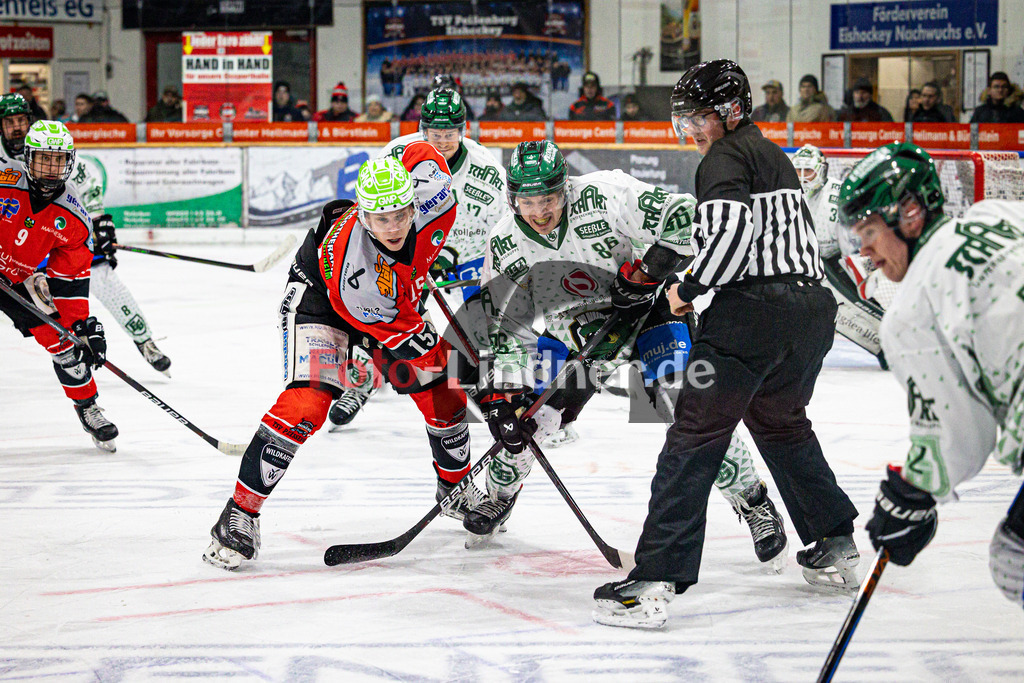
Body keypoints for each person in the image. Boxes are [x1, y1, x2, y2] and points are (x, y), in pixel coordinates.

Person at [593, 60, 858, 629]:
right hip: (810, 315)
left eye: (698, 116)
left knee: (694, 433)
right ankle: (834, 540)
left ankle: (654, 579)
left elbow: (731, 237)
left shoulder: (725, 157)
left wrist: (684, 291)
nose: (690, 128)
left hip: (753, 316)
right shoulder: (771, 154)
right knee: (781, 422)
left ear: (731, 112)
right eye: (684, 117)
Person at [477, 139, 789, 563]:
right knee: (530, 419)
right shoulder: (505, 240)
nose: (538, 211)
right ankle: (500, 495)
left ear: (564, 188)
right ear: (512, 199)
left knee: (684, 406)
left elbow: (683, 215)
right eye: (526, 201)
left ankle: (753, 503)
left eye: (547, 198)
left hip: (646, 313)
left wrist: (647, 273)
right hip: (574, 335)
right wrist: (504, 396)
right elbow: (504, 324)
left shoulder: (604, 194)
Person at [202, 144, 473, 570]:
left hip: (390, 302)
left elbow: (422, 151)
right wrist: (471, 372)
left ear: (412, 204)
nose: (394, 226)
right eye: (381, 219)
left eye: (401, 214)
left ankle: (456, 491)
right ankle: (239, 513)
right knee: (308, 404)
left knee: (444, 395)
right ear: (364, 216)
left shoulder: (436, 197)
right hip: (322, 302)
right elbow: (400, 334)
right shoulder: (356, 269)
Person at [835, 141, 1024, 612]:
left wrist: (911, 495)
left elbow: (955, 435)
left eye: (870, 231)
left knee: (1013, 560)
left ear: (912, 213)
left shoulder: (913, 309)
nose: (864, 250)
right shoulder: (1000, 214)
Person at [327, 87, 509, 429]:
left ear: (464, 129)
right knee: (386, 317)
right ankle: (363, 379)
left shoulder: (486, 168)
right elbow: (370, 209)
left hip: (466, 261)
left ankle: (485, 390)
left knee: (480, 329)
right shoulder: (397, 153)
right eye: (435, 134)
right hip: (407, 256)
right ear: (424, 130)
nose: (442, 141)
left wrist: (491, 268)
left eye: (450, 134)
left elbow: (503, 224)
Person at [1, 94, 173, 375]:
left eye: (22, 120)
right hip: (14, 243)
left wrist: (99, 220)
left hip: (54, 232)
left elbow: (82, 178)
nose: (17, 127)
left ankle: (145, 341)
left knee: (101, 273)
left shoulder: (47, 141)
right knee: (43, 307)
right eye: (9, 122)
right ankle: (70, 359)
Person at [0, 121, 117, 451]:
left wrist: (80, 325)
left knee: (66, 342)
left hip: (19, 278)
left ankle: (88, 407)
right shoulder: (3, 180)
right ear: (28, 157)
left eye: (58, 160)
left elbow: (70, 279)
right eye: (43, 159)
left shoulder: (74, 216)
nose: (51, 168)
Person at [791, 144, 892, 367]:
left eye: (808, 171)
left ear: (822, 170)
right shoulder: (788, 193)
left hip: (840, 259)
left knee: (862, 304)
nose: (803, 178)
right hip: (805, 262)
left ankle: (888, 344)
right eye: (798, 171)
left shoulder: (838, 193)